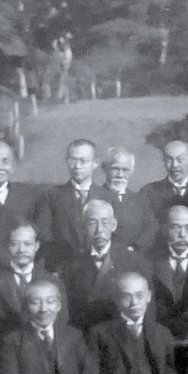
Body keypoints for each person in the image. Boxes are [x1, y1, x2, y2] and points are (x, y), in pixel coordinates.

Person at [61, 200, 152, 330]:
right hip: (85, 336)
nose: (99, 230)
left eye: (105, 223)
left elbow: (148, 311)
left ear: (114, 225)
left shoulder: (134, 261)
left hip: (121, 337)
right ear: (83, 227)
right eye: (93, 223)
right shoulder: (72, 265)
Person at [34, 139, 113, 270]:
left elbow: (114, 236)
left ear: (95, 163)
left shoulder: (109, 197)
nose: (77, 166)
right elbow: (44, 236)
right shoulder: (51, 197)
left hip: (99, 268)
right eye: (73, 160)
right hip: (62, 268)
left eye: (83, 161)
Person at [0, 223, 57, 346]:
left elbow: (61, 323)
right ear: (7, 246)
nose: (21, 250)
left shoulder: (53, 281)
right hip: (3, 350)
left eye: (28, 244)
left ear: (37, 246)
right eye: (15, 243)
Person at [140, 140, 188, 247]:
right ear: (164, 162)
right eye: (169, 159)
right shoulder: (149, 192)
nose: (174, 165)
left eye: (180, 159)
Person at [102, 146, 158, 255]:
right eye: (115, 168)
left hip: (133, 258)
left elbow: (151, 229)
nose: (120, 175)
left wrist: (134, 248)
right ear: (105, 168)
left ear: (131, 171)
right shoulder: (95, 196)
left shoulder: (140, 201)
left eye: (125, 170)